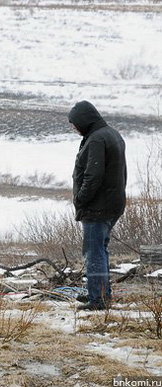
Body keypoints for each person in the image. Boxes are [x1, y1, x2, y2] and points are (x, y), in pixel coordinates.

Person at [68, 101, 126, 311]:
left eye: (75, 123)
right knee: (100, 249)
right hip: (112, 204)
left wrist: (81, 199)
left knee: (94, 252)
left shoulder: (96, 139)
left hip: (98, 207)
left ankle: (98, 300)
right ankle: (100, 293)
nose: (74, 127)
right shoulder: (111, 134)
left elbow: (93, 176)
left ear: (85, 120)